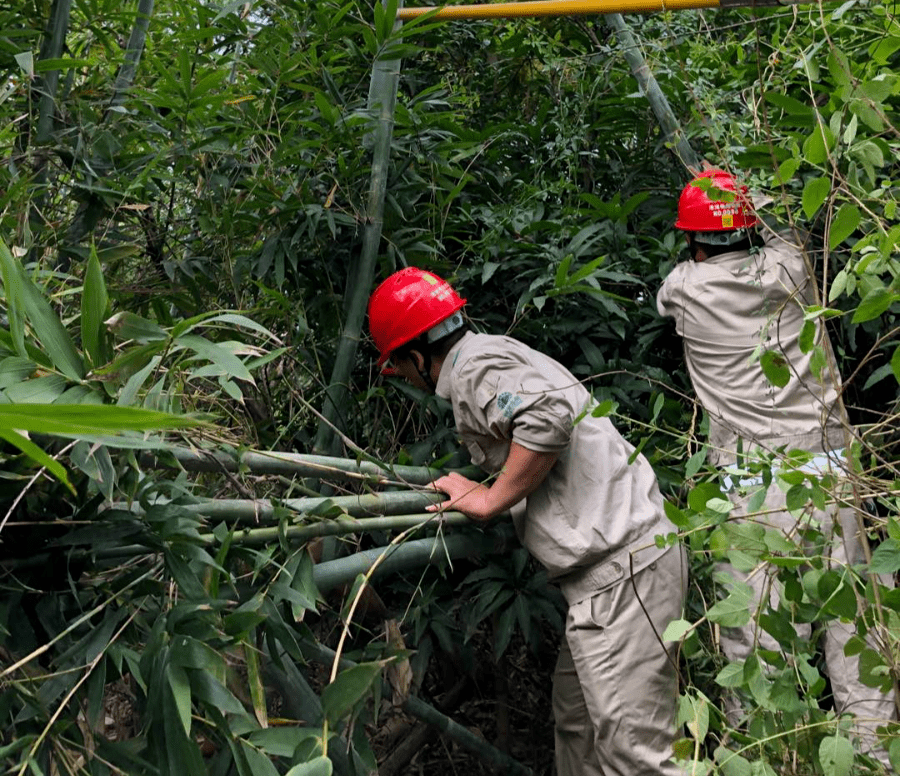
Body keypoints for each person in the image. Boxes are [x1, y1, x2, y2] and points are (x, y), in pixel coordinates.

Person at [368, 267, 687, 776]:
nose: (402, 378)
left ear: (416, 354)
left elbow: (545, 418)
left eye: (398, 367)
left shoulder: (475, 368)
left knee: (638, 759)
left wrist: (493, 498)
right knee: (578, 725)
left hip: (619, 575)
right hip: (617, 570)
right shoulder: (490, 356)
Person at [656, 169, 896, 759]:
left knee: (760, 651)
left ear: (693, 241)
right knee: (859, 634)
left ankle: (776, 759)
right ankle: (876, 759)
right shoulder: (795, 270)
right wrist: (751, 187)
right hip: (833, 477)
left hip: (755, 496)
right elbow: (785, 218)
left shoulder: (682, 289)